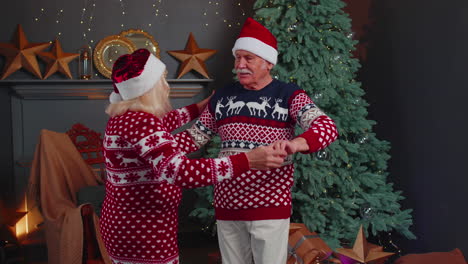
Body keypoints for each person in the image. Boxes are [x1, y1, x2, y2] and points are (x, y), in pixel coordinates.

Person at [99, 48, 288, 264]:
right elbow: (182, 172)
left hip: (126, 226)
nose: (166, 86)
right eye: (162, 80)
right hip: (143, 231)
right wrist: (247, 160)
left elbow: (163, 135)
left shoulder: (122, 117)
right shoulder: (142, 122)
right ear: (147, 88)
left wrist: (201, 107)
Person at [185, 18, 339, 264]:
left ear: (268, 63)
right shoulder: (224, 96)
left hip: (269, 205)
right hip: (228, 204)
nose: (240, 65)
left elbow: (326, 126)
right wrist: (157, 148)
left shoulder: (288, 95)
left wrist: (295, 144)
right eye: (238, 58)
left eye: (249, 58)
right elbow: (195, 137)